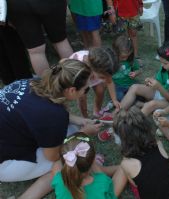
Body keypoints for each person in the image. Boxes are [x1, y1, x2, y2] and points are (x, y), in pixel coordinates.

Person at [0, 59, 101, 198]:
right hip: (5, 165)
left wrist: (80, 120)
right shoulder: (53, 116)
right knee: (68, 160)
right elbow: (52, 156)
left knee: (70, 130)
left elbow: (41, 111)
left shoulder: (33, 81)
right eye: (86, 89)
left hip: (7, 141)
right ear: (71, 90)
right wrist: (84, 133)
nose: (86, 92)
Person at [113, 106, 169, 199]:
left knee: (130, 174)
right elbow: (164, 164)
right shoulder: (158, 144)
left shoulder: (126, 163)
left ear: (122, 139)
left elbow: (135, 185)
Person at [120, 40, 169, 116]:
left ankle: (131, 125)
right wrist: (151, 81)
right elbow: (157, 79)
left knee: (151, 105)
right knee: (134, 87)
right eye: (161, 62)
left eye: (165, 63)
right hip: (160, 94)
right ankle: (117, 112)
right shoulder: (165, 69)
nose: (162, 65)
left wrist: (158, 86)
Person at [7, 0, 73, 76]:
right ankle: (74, 79)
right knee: (61, 41)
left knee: (35, 51)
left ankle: (47, 85)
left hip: (17, 4)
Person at [51, 132, 127, 199]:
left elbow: (57, 165)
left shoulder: (59, 180)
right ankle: (122, 167)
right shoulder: (102, 180)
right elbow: (100, 174)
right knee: (125, 168)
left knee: (56, 166)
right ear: (93, 159)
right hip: (100, 187)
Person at [69, 47, 120, 119]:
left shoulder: (102, 69)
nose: (105, 80)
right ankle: (85, 117)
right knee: (82, 98)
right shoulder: (80, 70)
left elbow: (109, 82)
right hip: (80, 76)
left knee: (100, 90)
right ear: (93, 69)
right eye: (103, 77)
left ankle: (97, 111)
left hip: (93, 73)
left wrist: (114, 100)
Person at [112, 34, 141, 101]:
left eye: (127, 56)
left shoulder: (131, 60)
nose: (125, 59)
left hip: (130, 84)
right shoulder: (112, 61)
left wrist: (135, 73)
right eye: (122, 57)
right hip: (117, 85)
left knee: (142, 92)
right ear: (115, 52)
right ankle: (131, 100)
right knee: (120, 97)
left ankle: (132, 99)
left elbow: (139, 70)